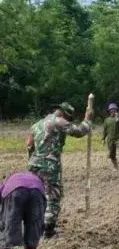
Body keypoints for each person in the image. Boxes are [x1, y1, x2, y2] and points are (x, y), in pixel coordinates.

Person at [27, 102, 93, 238]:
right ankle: (49, 232)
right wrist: (88, 119)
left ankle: (35, 226)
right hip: (49, 164)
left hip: (34, 164)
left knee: (38, 195)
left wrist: (35, 161)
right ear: (64, 114)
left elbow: (29, 145)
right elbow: (79, 131)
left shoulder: (37, 124)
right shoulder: (58, 122)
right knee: (53, 197)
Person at [0, 171, 46, 249]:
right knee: (32, 237)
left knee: (5, 238)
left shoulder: (7, 183)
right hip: (37, 193)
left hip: (14, 192)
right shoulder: (37, 181)